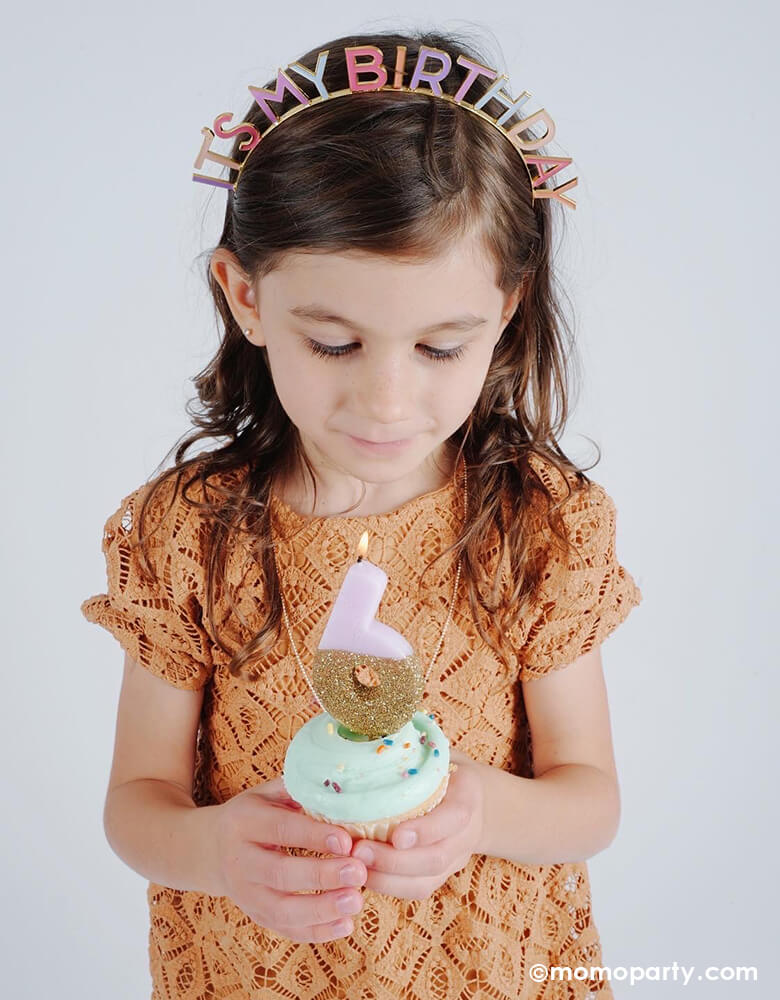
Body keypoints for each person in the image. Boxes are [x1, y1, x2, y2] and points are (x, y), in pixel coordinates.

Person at [80, 27, 642, 1000]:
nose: (387, 401)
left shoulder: (539, 524)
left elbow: (589, 798)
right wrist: (215, 849)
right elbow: (137, 802)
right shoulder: (189, 534)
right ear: (247, 295)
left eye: (438, 347)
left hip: (489, 973)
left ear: (506, 309)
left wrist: (482, 813)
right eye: (335, 343)